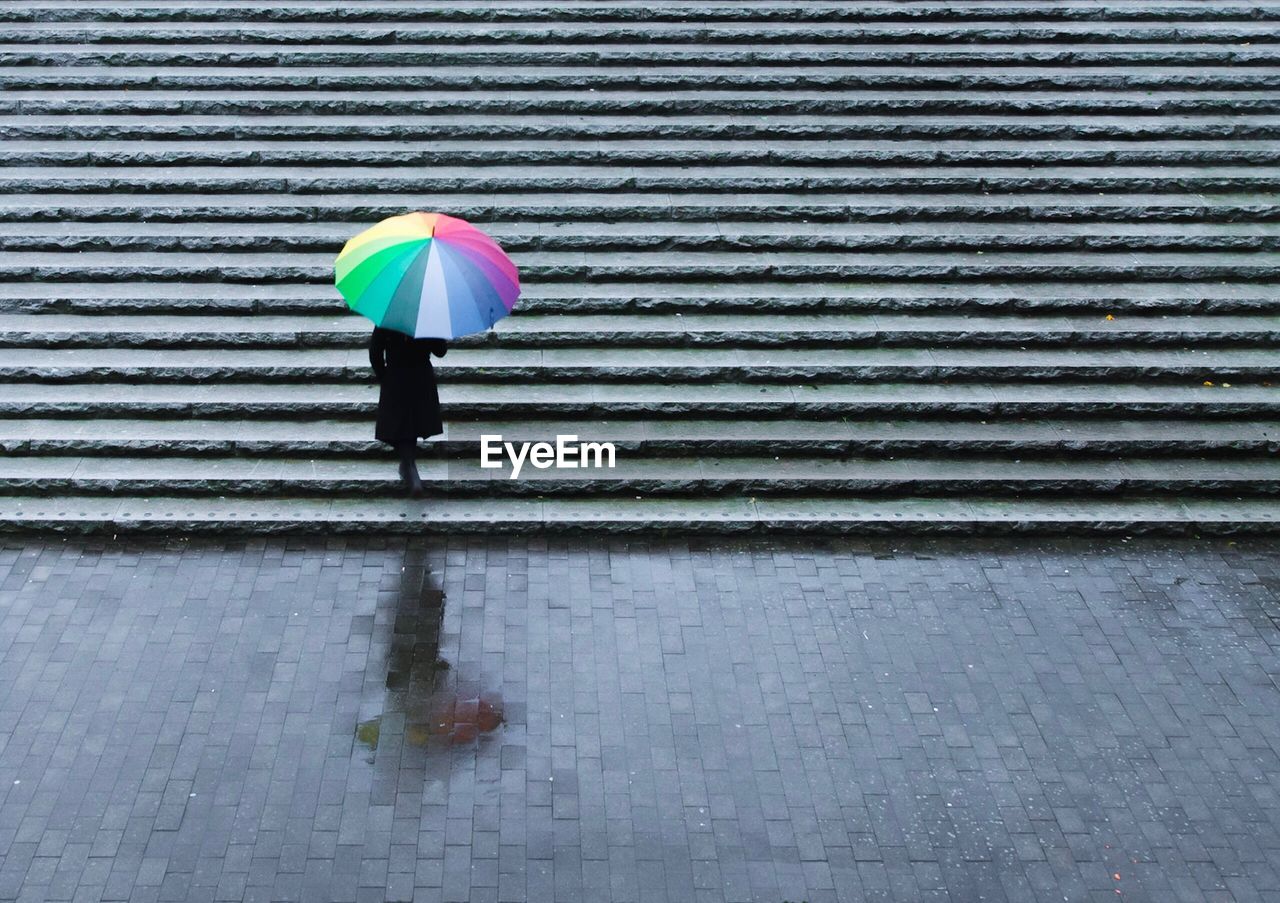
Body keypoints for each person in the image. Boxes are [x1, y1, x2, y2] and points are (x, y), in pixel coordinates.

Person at [368, 326, 448, 496]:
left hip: (396, 376)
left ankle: (409, 466)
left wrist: (385, 377)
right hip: (421, 376)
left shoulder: (389, 319)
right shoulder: (429, 318)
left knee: (401, 425)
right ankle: (409, 467)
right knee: (412, 423)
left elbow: (375, 353)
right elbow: (441, 351)